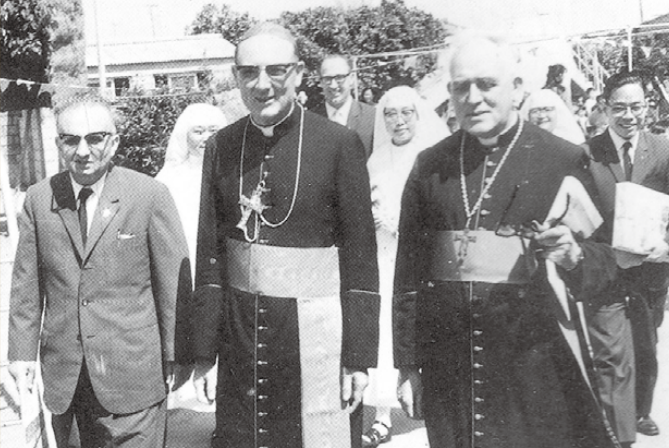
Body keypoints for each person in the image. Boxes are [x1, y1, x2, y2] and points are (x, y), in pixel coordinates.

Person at [393, 31, 618, 448]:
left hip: (535, 369)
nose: (473, 98)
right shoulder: (430, 166)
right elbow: (409, 273)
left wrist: (574, 255)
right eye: (461, 87)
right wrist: (407, 365)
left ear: (516, 88)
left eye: (486, 84)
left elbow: (606, 264)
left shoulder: (564, 159)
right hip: (450, 371)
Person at [189, 22, 380, 448]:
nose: (262, 84)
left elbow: (361, 259)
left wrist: (358, 358)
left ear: (297, 74)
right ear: (236, 77)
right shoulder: (222, 146)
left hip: (318, 340)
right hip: (242, 342)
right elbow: (211, 255)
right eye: (249, 72)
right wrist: (205, 353)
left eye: (276, 70)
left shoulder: (339, 144)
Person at [7, 92, 189, 447]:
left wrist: (177, 353)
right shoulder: (39, 199)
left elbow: (172, 283)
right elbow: (27, 285)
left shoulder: (148, 195)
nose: (83, 151)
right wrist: (21, 353)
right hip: (67, 381)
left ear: (114, 142)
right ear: (58, 144)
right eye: (70, 140)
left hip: (133, 375)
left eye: (95, 138)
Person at [586, 71, 669, 444]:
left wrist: (665, 248)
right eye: (619, 107)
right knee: (611, 352)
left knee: (646, 346)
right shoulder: (587, 154)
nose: (628, 116)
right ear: (605, 107)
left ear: (647, 107)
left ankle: (640, 411)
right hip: (607, 270)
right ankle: (619, 434)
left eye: (636, 106)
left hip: (652, 271)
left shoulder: (663, 150)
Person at [363, 86, 447, 446]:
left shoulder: (434, 157)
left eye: (406, 113)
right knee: (387, 331)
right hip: (385, 258)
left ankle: (432, 414)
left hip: (423, 261)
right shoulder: (376, 159)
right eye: (390, 113)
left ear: (418, 115)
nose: (398, 121)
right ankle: (382, 415)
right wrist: (373, 217)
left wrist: (405, 224)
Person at [155, 103, 227, 412]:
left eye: (213, 130)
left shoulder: (232, 174)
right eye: (198, 131)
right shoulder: (167, 179)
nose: (206, 138)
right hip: (184, 268)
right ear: (184, 136)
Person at [312, 54, 376, 158]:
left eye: (339, 78)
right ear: (321, 82)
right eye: (328, 78)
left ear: (351, 79)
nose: (333, 85)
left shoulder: (372, 117)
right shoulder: (310, 121)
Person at [521, 89, 586, 145]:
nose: (542, 116)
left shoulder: (573, 142)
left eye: (547, 110)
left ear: (558, 112)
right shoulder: (522, 144)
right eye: (535, 111)